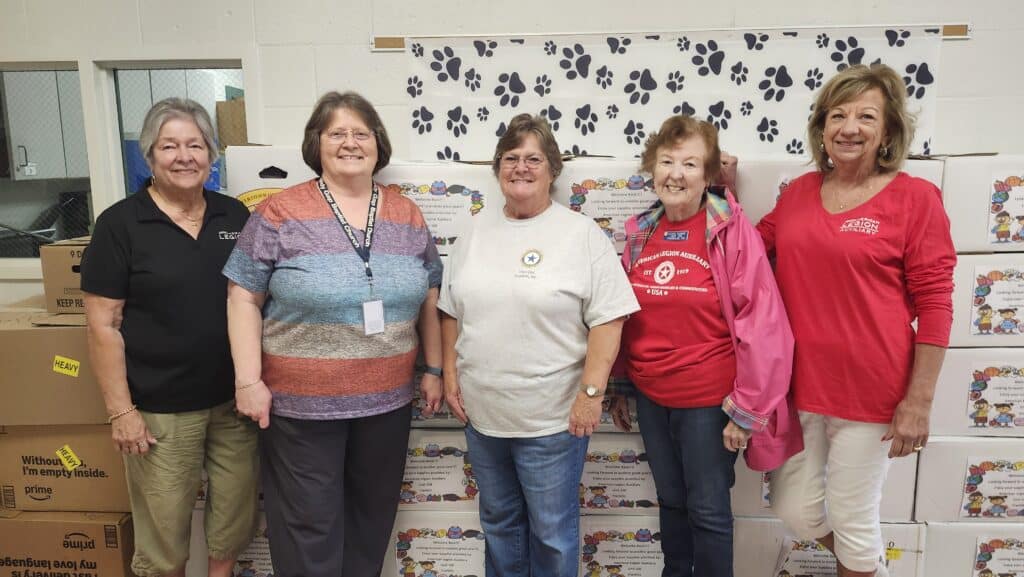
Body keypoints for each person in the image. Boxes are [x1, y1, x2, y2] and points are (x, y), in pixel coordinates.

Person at [222, 90, 443, 577]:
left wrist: (434, 367)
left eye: (361, 133)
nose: (350, 143)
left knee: (370, 524)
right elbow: (242, 298)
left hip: (386, 403)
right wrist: (248, 381)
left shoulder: (406, 213)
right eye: (336, 133)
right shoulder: (278, 212)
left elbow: (430, 294)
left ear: (378, 144)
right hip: (302, 408)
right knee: (309, 531)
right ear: (315, 143)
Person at [758, 64, 956, 577]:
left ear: (887, 132)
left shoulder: (915, 198)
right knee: (795, 511)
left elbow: (936, 303)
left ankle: (860, 561)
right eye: (838, 115)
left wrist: (919, 402)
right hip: (798, 385)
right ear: (822, 128)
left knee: (853, 520)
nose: (850, 128)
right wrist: (713, 185)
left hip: (872, 391)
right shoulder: (798, 193)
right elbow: (747, 250)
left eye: (866, 116)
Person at [438, 113, 640, 577]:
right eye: (511, 158)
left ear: (552, 169)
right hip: (484, 418)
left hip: (552, 422)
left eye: (533, 159)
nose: (521, 168)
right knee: (499, 525)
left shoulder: (581, 235)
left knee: (551, 534)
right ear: (498, 169)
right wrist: (450, 375)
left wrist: (591, 395)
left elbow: (609, 319)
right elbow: (450, 311)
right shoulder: (473, 233)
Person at [610, 114, 802, 577]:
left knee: (708, 510)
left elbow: (764, 322)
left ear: (708, 174)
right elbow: (621, 314)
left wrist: (747, 408)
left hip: (708, 402)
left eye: (690, 164)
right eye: (666, 161)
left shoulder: (729, 230)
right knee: (671, 502)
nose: (675, 174)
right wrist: (619, 383)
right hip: (652, 396)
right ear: (652, 169)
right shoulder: (640, 232)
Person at [81, 97, 256, 577]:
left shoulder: (234, 217)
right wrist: (121, 411)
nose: (184, 157)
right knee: (164, 539)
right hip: (160, 411)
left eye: (195, 145)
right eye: (169, 146)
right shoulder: (120, 224)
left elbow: (255, 301)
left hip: (234, 404)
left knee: (234, 519)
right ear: (150, 156)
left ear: (211, 155)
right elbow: (102, 325)